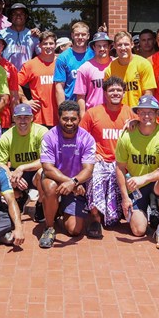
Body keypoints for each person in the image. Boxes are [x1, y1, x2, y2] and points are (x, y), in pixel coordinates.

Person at [115, 95, 159, 250]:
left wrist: (144, 178)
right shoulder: (127, 135)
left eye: (150, 112)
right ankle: (146, 212)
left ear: (157, 114)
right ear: (137, 114)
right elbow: (120, 168)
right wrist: (124, 198)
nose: (146, 116)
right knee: (138, 230)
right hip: (136, 188)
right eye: (142, 112)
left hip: (156, 184)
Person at [38, 100, 97, 248]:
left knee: (74, 230)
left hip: (76, 184)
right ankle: (49, 227)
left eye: (73, 119)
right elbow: (47, 168)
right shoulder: (49, 137)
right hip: (57, 181)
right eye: (65, 119)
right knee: (49, 186)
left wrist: (73, 183)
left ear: (79, 119)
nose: (69, 122)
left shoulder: (87, 139)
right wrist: (71, 182)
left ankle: (57, 209)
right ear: (59, 118)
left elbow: (88, 169)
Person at [81, 77, 135, 234]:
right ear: (104, 93)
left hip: (122, 162)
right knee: (94, 173)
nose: (115, 93)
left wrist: (135, 124)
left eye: (119, 90)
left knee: (113, 220)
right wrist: (92, 153)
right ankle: (95, 218)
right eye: (111, 90)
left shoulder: (131, 113)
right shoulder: (93, 113)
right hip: (101, 160)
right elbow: (81, 137)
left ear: (124, 93)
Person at [0, 103, 47, 210]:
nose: (23, 121)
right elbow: (1, 163)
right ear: (14, 119)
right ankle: (20, 196)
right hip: (16, 174)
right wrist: (11, 175)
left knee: (44, 173)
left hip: (35, 172)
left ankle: (41, 203)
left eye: (26, 117)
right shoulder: (6, 137)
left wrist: (22, 167)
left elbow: (46, 160)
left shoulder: (42, 132)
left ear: (32, 118)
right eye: (19, 117)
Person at [104, 31, 156, 108]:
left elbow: (148, 93)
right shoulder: (110, 69)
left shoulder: (143, 64)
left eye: (126, 44)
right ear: (114, 46)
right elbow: (108, 95)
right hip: (119, 114)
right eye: (119, 45)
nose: (123, 48)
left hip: (139, 112)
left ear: (132, 44)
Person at [18, 30, 58, 127]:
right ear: (39, 45)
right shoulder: (31, 64)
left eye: (51, 43)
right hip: (39, 117)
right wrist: (25, 100)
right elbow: (15, 83)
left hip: (60, 117)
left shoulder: (62, 63)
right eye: (45, 44)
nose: (48, 46)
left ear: (55, 45)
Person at [53, 21, 93, 104]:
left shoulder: (94, 54)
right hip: (71, 105)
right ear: (72, 36)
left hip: (92, 105)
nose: (80, 37)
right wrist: (63, 109)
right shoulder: (63, 57)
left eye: (83, 34)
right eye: (77, 34)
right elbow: (59, 86)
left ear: (88, 36)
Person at [74, 32, 113, 114]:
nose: (102, 49)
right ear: (94, 47)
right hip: (93, 114)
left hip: (115, 113)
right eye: (99, 46)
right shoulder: (84, 68)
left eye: (105, 45)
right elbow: (80, 97)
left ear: (109, 47)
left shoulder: (116, 65)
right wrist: (82, 118)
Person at [0, 31, 20, 130]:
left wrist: (14, 120)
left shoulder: (10, 68)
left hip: (4, 119)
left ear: (3, 47)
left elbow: (14, 95)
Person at [2, 2, 39, 70]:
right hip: (6, 74)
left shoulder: (32, 34)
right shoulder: (2, 34)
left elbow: (42, 55)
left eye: (22, 13)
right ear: (10, 16)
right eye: (14, 13)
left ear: (26, 16)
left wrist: (42, 37)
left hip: (26, 75)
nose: (18, 15)